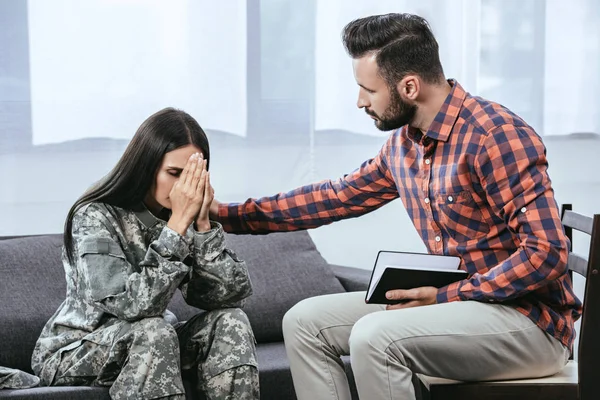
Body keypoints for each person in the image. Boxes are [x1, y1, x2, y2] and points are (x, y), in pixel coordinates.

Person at [209, 13, 582, 400]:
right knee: (303, 322)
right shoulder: (404, 146)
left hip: (530, 326)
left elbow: (546, 254)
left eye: (367, 90)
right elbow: (333, 197)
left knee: (375, 336)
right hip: (461, 306)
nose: (359, 102)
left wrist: (444, 297)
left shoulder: (496, 136)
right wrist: (225, 214)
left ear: (408, 86)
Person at [31, 108, 259, 400]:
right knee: (154, 330)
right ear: (146, 166)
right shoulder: (94, 215)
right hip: (74, 350)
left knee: (231, 320)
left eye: (192, 176)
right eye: (174, 173)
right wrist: (176, 228)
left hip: (151, 338)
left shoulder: (181, 213)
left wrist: (202, 226)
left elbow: (226, 297)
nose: (183, 188)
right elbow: (131, 307)